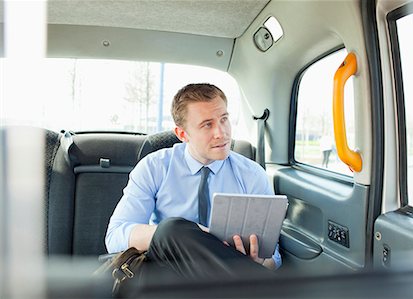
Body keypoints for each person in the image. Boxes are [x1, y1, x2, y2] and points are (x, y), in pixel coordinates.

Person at [105, 83, 281, 281]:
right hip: (168, 272)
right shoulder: (154, 167)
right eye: (207, 124)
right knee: (171, 229)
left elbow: (274, 257)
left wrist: (260, 261)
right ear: (182, 134)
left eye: (224, 119)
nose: (221, 133)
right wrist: (193, 235)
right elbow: (116, 236)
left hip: (229, 274)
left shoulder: (252, 174)